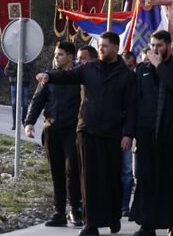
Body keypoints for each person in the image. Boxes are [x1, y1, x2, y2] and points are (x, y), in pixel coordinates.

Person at [36, 31, 136, 236]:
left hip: (112, 133)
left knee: (110, 178)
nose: (101, 49)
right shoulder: (88, 69)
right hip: (87, 130)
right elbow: (67, 75)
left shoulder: (126, 75)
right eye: (99, 46)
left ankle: (113, 215)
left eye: (105, 46)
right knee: (87, 178)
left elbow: (132, 107)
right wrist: (49, 75)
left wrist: (128, 134)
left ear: (116, 48)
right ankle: (90, 224)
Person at [25, 41, 82, 228]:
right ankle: (59, 212)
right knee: (56, 171)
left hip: (73, 130)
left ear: (70, 57)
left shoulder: (78, 76)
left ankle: (76, 209)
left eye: (60, 54)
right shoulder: (48, 78)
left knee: (72, 170)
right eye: (56, 54)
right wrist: (29, 123)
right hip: (52, 129)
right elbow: (37, 100)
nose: (56, 57)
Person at [130, 30, 173, 236]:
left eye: (160, 46)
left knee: (168, 180)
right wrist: (130, 132)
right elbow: (135, 102)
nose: (155, 50)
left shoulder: (168, 67)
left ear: (169, 46)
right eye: (153, 45)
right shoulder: (142, 69)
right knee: (146, 179)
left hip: (168, 134)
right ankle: (147, 224)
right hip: (146, 133)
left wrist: (159, 66)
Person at [120, 50, 136, 218]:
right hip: (110, 131)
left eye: (130, 67)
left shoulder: (136, 80)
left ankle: (125, 205)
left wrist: (129, 133)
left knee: (126, 171)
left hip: (127, 132)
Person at [5, 60, 34, 130]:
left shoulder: (28, 59)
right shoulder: (12, 59)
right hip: (14, 83)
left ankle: (24, 121)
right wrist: (15, 72)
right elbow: (6, 71)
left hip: (24, 83)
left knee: (24, 104)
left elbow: (31, 70)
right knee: (14, 103)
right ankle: (15, 123)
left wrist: (24, 66)